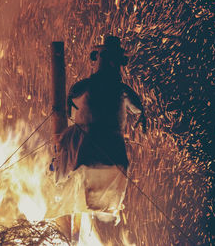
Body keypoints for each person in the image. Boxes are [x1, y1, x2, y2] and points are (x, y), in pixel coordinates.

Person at [52, 36, 146, 223]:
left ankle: (66, 186)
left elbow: (70, 106)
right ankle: (62, 186)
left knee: (71, 154)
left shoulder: (109, 89)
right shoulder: (118, 90)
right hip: (98, 145)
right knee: (72, 157)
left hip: (100, 145)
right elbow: (138, 109)